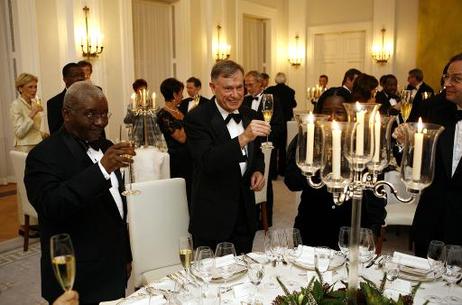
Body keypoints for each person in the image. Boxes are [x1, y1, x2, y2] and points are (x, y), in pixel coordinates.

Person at [24, 81, 133, 305]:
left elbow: (116, 211)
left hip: (113, 267)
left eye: (104, 114)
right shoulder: (43, 155)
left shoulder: (106, 146)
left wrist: (126, 256)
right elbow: (51, 206)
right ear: (66, 114)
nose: (100, 122)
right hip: (77, 277)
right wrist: (101, 169)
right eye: (91, 114)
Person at [184, 60, 270, 254]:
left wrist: (258, 169)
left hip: (244, 213)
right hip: (212, 216)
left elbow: (256, 153)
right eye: (228, 88)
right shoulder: (197, 118)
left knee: (244, 276)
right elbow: (207, 161)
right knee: (211, 279)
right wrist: (244, 137)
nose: (236, 94)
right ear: (213, 87)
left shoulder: (251, 114)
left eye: (240, 87)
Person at [285, 87, 386, 249]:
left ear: (350, 114)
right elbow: (292, 182)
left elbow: (376, 188)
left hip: (353, 224)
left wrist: (376, 227)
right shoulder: (307, 138)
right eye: (326, 112)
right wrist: (317, 160)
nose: (332, 118)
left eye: (339, 112)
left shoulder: (362, 143)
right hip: (313, 221)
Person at [411, 53, 462, 257]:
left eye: (456, 79)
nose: (447, 83)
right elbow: (416, 161)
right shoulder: (433, 110)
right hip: (431, 223)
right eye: (446, 77)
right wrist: (405, 143)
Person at [157, 78, 192, 207]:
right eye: (181, 92)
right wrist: (190, 119)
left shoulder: (179, 111)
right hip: (177, 158)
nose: (183, 96)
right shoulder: (163, 114)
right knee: (181, 193)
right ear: (174, 94)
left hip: (188, 156)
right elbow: (181, 138)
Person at [265, 72, 297, 175]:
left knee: (273, 146)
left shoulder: (270, 90)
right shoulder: (290, 91)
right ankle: (282, 171)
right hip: (285, 121)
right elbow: (293, 104)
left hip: (273, 121)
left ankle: (273, 172)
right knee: (283, 147)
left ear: (275, 80)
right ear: (285, 80)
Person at [123, 79, 166, 148]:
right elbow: (127, 121)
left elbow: (159, 119)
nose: (143, 92)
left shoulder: (153, 105)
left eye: (144, 90)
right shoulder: (131, 106)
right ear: (136, 91)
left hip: (153, 138)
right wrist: (134, 111)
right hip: (137, 138)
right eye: (140, 90)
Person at [10, 73, 44, 153]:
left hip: (38, 144)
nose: (34, 90)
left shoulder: (34, 103)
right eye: (30, 87)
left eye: (35, 87)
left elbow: (33, 129)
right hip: (25, 147)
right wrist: (32, 113)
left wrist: (42, 134)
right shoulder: (16, 105)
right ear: (20, 89)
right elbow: (19, 133)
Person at [47, 63, 85, 134]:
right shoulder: (54, 103)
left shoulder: (92, 98)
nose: (80, 78)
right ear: (65, 79)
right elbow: (55, 133)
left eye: (82, 75)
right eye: (76, 75)